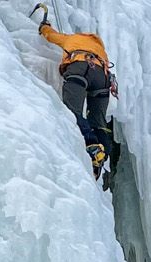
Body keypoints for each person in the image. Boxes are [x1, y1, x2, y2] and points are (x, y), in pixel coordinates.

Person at [35, 10, 116, 170]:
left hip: (81, 68)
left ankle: (92, 145)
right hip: (103, 78)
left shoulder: (72, 39)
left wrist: (45, 27)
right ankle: (102, 154)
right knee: (99, 122)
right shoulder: (100, 49)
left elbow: (52, 36)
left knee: (72, 112)